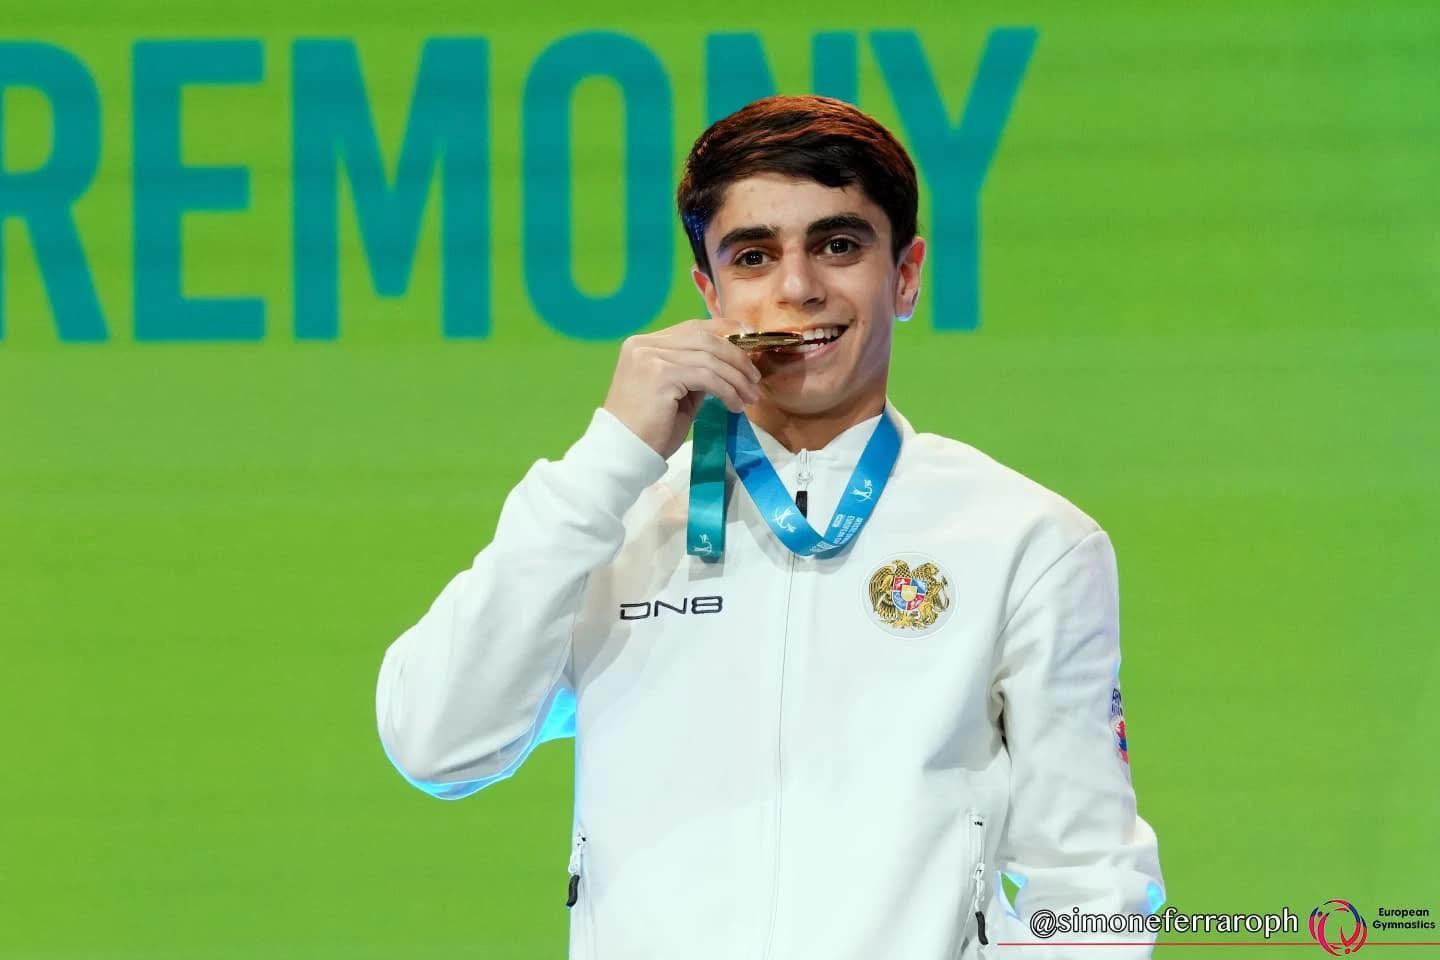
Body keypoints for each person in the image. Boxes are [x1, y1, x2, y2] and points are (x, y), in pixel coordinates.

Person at [375, 94, 1165, 959]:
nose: (797, 288)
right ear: (709, 292)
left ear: (905, 275)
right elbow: (438, 744)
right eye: (754, 256)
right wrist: (611, 455)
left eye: (839, 245)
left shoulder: (1026, 540)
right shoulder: (608, 520)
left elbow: (1091, 881)